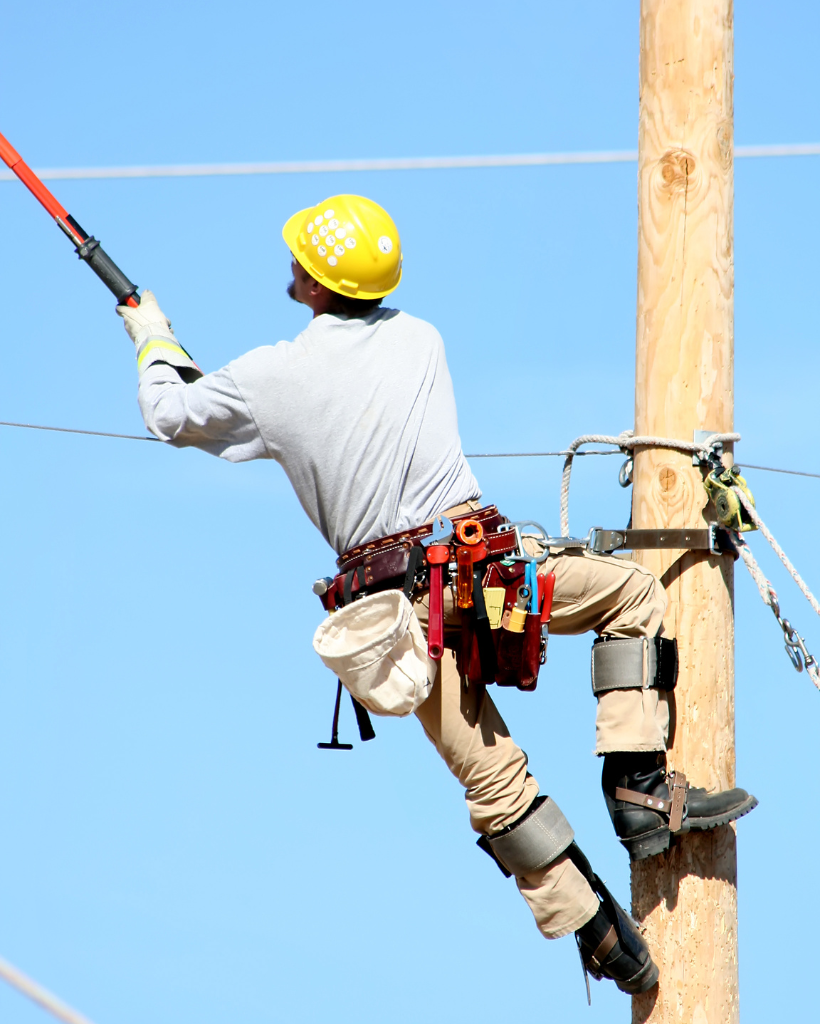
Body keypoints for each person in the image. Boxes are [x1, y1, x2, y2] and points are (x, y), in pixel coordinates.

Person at [117, 194, 756, 998]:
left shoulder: (269, 376)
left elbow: (171, 412)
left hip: (402, 615)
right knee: (630, 597)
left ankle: (593, 931)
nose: (292, 272)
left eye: (300, 265)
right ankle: (638, 791)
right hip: (489, 571)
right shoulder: (421, 338)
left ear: (315, 284)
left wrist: (152, 334)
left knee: (494, 781)